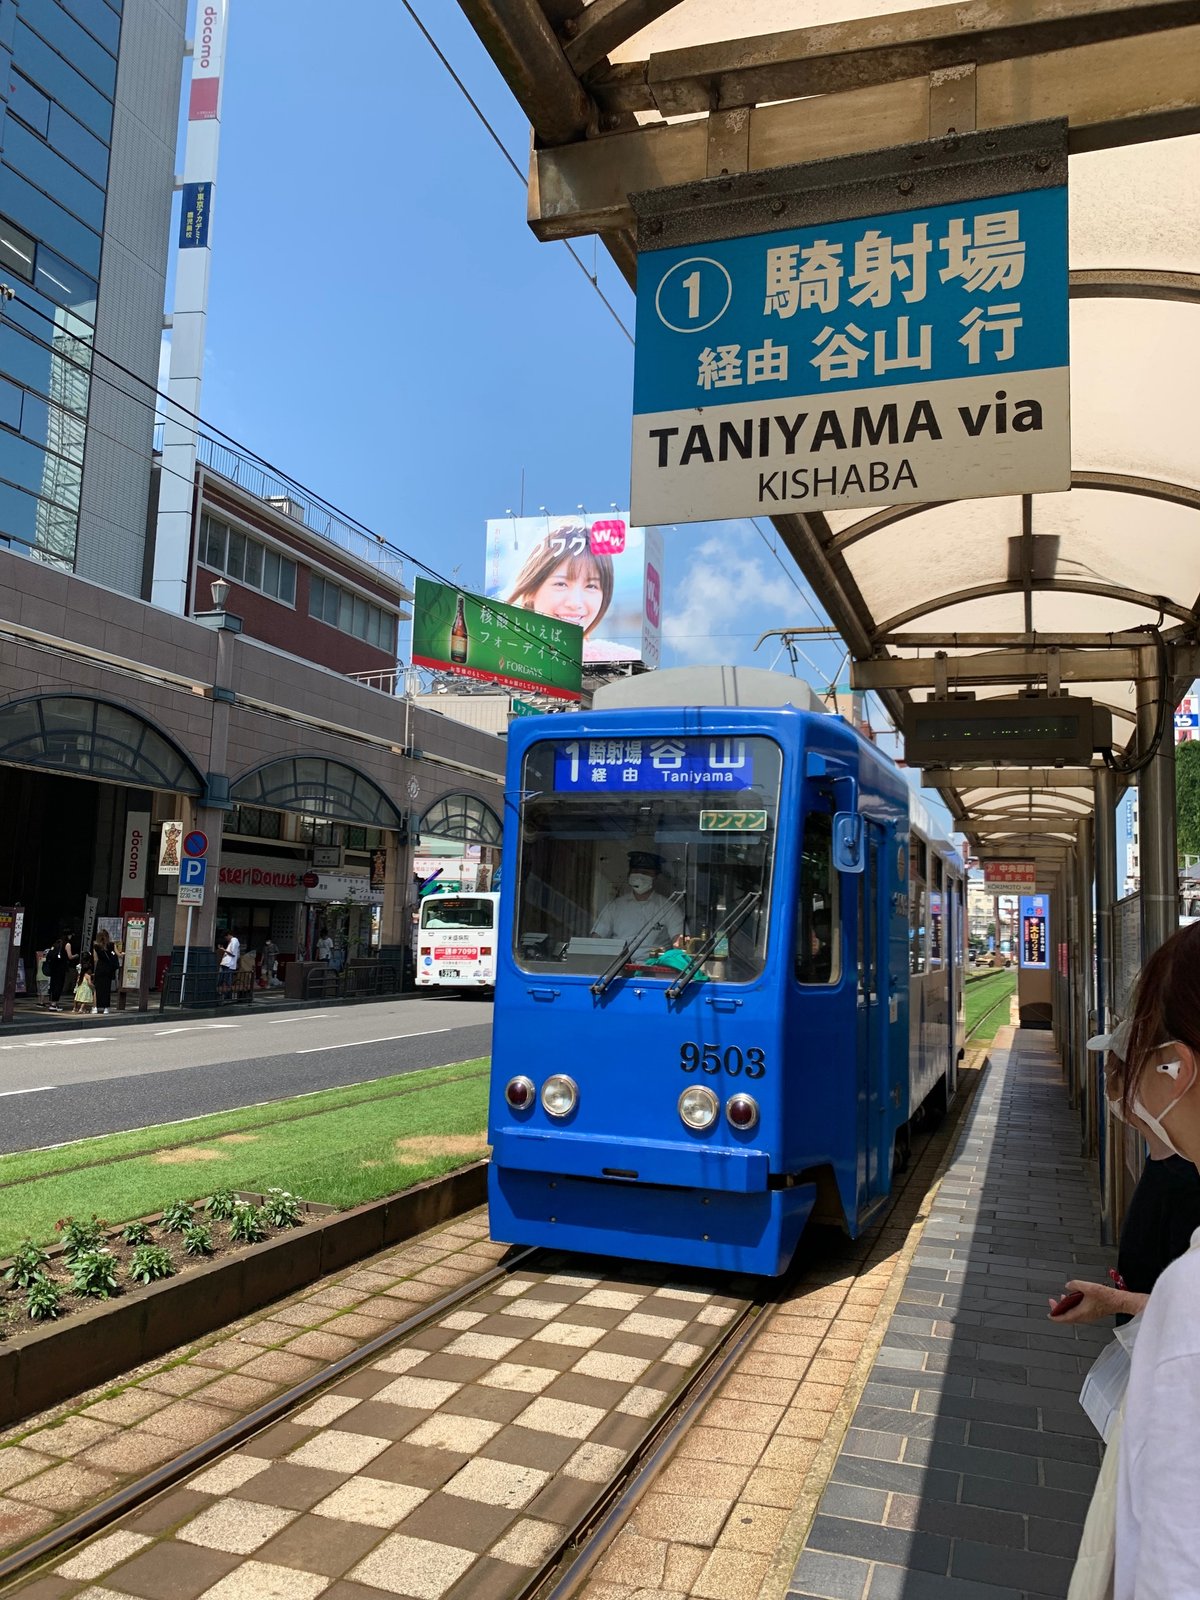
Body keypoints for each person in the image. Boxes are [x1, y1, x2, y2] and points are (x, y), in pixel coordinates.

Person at [1088, 922, 1200, 1598]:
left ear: (1176, 1068)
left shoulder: (1191, 1301)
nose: (1123, 1084)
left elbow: (1174, 1567)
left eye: (1134, 1057)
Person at [1050, 1017, 1200, 1327]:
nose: (1108, 1075)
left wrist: (1119, 1302)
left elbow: (1189, 1313)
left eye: (1118, 1066)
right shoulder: (1165, 1163)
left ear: (1173, 1075)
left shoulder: (1189, 1183)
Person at [506, 532, 617, 654]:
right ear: (531, 589)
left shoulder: (616, 658)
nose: (575, 603)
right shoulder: (497, 654)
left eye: (591, 586)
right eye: (560, 584)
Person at [592, 851, 684, 962]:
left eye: (645, 873)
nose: (640, 877)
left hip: (654, 969)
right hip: (616, 969)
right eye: (635, 872)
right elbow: (595, 940)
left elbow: (679, 943)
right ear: (629, 875)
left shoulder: (669, 908)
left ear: (656, 877)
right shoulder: (614, 906)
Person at [43, 933, 73, 1013]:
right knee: (59, 985)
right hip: (61, 967)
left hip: (53, 967)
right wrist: (76, 956)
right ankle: (54, 1004)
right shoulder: (67, 944)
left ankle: (52, 1003)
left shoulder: (56, 943)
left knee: (53, 984)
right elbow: (70, 956)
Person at [91, 929, 119, 1015]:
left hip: (100, 968)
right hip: (108, 969)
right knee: (106, 989)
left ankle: (95, 1008)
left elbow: (95, 959)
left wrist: (94, 971)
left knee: (97, 989)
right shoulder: (111, 945)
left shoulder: (96, 946)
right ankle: (106, 1008)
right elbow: (118, 954)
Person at [216, 928, 240, 1003]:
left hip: (229, 964)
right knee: (223, 980)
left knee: (227, 980)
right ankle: (224, 995)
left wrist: (223, 949)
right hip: (226, 963)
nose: (226, 939)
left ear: (228, 935)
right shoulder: (232, 941)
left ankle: (227, 996)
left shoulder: (234, 941)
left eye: (226, 937)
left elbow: (232, 953)